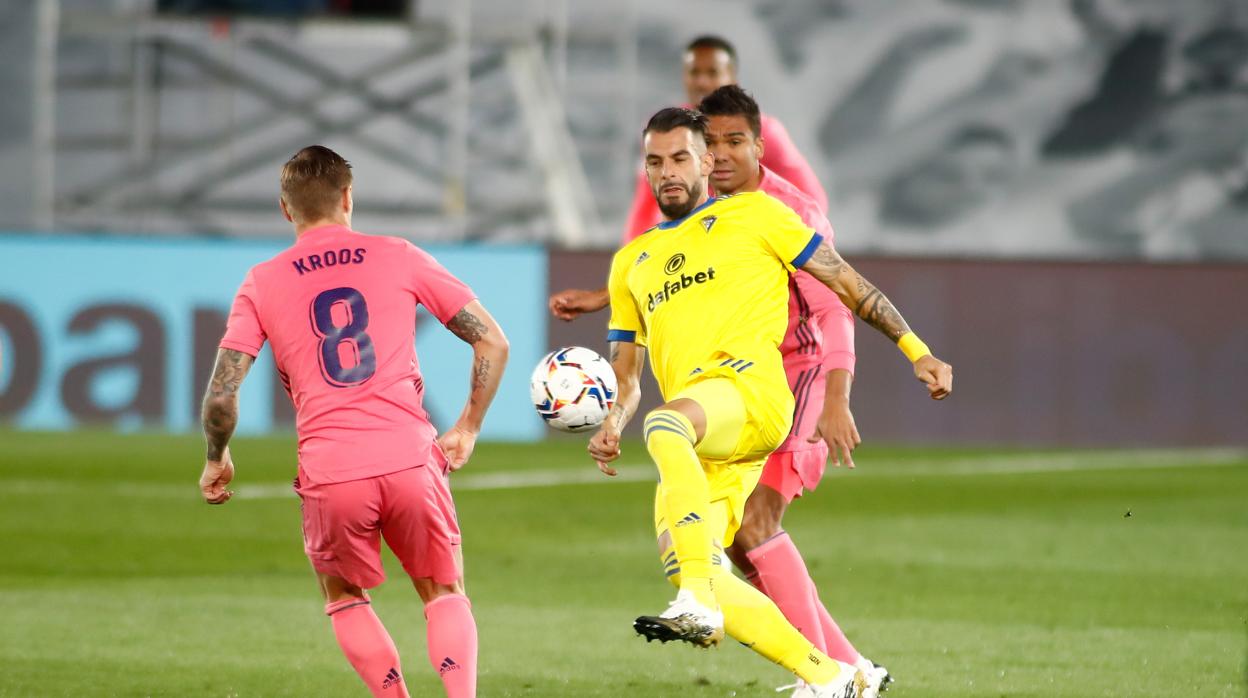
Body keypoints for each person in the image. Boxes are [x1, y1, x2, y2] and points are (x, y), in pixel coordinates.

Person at [589, 107, 952, 697]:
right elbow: (625, 374)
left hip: (749, 396)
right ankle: (834, 678)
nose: (668, 172)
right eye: (655, 162)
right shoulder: (631, 263)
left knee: (664, 428)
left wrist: (918, 350)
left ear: (707, 162)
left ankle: (698, 604)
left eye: (680, 158)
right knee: (688, 557)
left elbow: (847, 285)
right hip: (706, 433)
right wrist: (611, 420)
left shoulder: (758, 214)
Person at [197, 145, 509, 698]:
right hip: (410, 458)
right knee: (444, 593)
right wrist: (467, 426)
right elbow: (492, 340)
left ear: (285, 210)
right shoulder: (398, 254)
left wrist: (216, 458)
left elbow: (221, 399)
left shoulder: (261, 281)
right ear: (347, 197)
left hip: (331, 469)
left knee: (344, 598)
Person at [698, 84, 890, 696]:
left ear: (759, 145)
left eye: (734, 141)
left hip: (799, 376)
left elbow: (833, 308)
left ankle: (824, 677)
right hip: (743, 382)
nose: (720, 154)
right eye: (710, 143)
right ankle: (853, 669)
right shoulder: (705, 213)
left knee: (755, 522)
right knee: (736, 540)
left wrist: (837, 396)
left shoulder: (792, 212)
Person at [549, 34, 828, 320]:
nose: (703, 82)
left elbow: (812, 202)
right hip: (694, 263)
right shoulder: (666, 132)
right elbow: (645, 206)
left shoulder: (764, 132)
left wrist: (770, 241)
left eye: (712, 72)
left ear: (731, 77)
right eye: (695, 72)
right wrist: (628, 272)